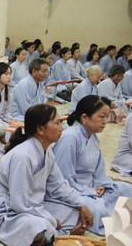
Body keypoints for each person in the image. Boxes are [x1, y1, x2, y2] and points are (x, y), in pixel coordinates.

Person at [0, 104, 94, 246]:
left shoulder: (47, 152)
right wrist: (51, 220)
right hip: (8, 213)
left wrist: (81, 204)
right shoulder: (23, 156)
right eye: (57, 123)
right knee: (39, 226)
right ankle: (57, 236)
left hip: (32, 207)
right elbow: (20, 202)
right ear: (41, 129)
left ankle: (51, 236)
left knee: (74, 211)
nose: (62, 128)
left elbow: (59, 186)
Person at [53, 96, 132, 235]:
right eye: (102, 116)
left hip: (92, 187)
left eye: (107, 116)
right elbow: (64, 179)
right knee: (97, 209)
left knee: (127, 189)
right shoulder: (70, 138)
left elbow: (99, 171)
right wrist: (89, 191)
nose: (106, 121)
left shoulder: (93, 137)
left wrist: (101, 185)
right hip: (75, 190)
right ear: (85, 117)